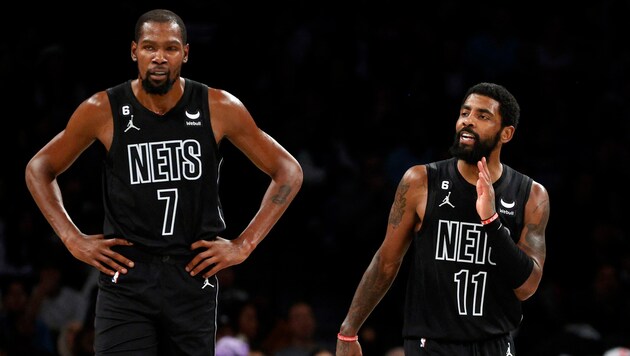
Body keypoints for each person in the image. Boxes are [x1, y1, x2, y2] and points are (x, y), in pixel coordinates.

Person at [25, 8, 303, 356]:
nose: (159, 57)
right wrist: (71, 238)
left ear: (185, 53)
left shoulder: (217, 106)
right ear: (133, 52)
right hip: (126, 277)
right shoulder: (103, 108)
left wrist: (243, 245)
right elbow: (39, 167)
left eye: (170, 48)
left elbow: (288, 171)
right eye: (149, 47)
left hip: (190, 274)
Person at [336, 82, 549, 356]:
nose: (468, 122)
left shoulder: (531, 194)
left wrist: (492, 221)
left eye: (483, 116)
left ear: (506, 133)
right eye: (465, 113)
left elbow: (527, 287)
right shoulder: (421, 181)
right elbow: (386, 261)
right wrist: (349, 330)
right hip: (430, 344)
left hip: (495, 344)